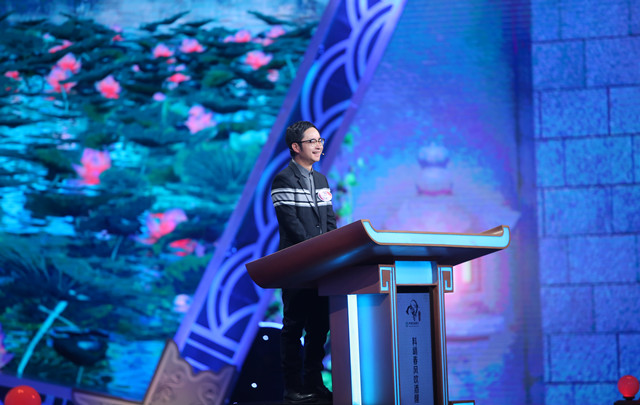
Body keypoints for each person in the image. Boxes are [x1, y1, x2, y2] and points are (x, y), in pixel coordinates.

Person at [271, 120, 337, 404]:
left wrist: (334, 249)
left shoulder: (321, 180)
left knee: (319, 327)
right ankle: (292, 387)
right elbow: (292, 225)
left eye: (320, 140)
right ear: (296, 147)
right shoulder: (283, 179)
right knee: (293, 326)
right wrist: (316, 250)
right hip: (297, 265)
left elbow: (330, 221)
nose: (319, 145)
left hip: (321, 266)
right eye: (312, 141)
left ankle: (314, 382)